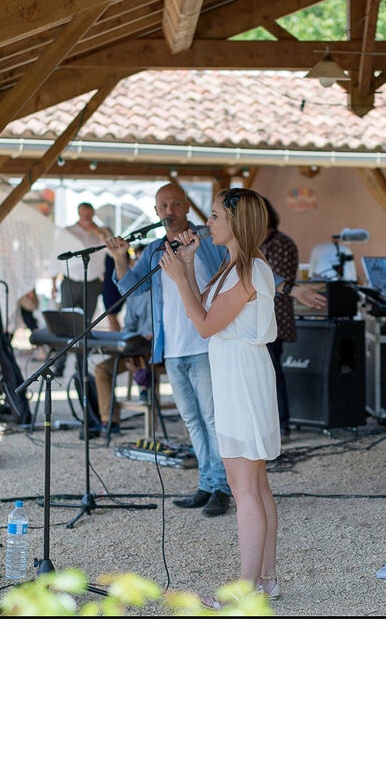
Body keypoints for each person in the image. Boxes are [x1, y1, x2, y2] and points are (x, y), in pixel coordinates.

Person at [159, 187, 282, 603]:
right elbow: (204, 311)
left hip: (242, 379)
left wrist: (179, 278)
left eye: (214, 216)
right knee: (254, 484)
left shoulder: (250, 270)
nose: (207, 223)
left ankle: (247, 587)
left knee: (245, 487)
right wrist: (187, 267)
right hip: (235, 375)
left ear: (236, 222)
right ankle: (265, 580)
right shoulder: (234, 266)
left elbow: (204, 325)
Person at [104, 183, 233, 517]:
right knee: (191, 420)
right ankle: (206, 483)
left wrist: (286, 288)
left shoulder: (208, 239)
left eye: (176, 204)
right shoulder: (153, 250)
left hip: (205, 344)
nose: (169, 211)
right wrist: (120, 259)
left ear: (187, 206)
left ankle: (222, 487)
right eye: (163, 206)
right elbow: (132, 288)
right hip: (172, 348)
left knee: (212, 418)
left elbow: (238, 268)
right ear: (156, 211)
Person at [260, 196, 326, 440]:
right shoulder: (255, 243)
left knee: (272, 373)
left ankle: (281, 425)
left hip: (275, 318)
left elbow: (273, 281)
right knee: (262, 375)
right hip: (257, 320)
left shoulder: (282, 243)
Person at [91, 244, 154, 435]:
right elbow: (129, 325)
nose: (139, 265)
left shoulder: (164, 288)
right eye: (137, 260)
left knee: (140, 354)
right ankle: (109, 421)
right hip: (137, 347)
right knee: (101, 369)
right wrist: (127, 340)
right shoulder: (135, 293)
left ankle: (145, 385)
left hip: (157, 349)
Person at [53, 202, 107, 323]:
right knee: (67, 318)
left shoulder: (102, 232)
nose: (86, 218)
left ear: (93, 214)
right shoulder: (68, 232)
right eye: (83, 215)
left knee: (87, 320)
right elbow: (56, 256)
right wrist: (53, 283)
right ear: (78, 214)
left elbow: (109, 250)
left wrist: (98, 233)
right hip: (71, 281)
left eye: (89, 215)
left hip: (92, 282)